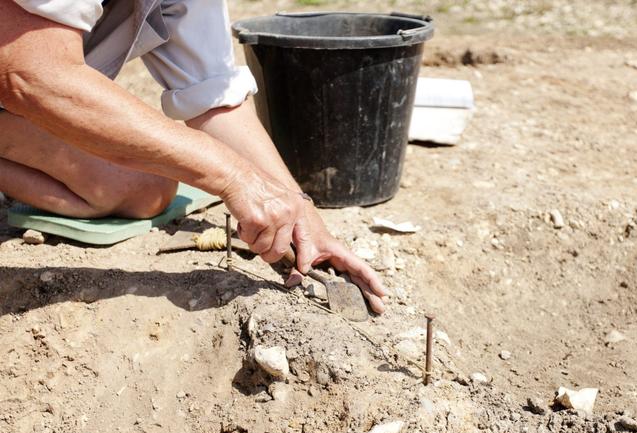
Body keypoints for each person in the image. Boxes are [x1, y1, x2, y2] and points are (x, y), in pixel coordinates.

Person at [0, 0, 388, 313]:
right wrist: (233, 177)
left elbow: (213, 96)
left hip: (22, 83)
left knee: (145, 189)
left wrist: (302, 216)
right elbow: (31, 76)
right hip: (25, 77)